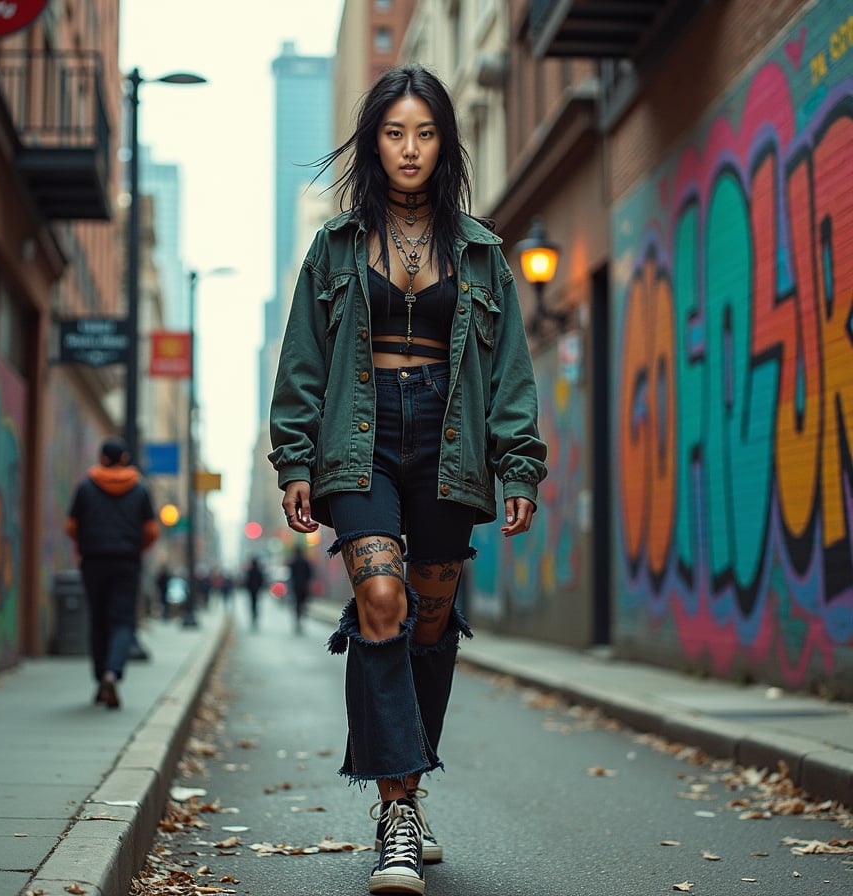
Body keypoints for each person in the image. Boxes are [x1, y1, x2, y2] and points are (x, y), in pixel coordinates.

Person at [268, 64, 547, 895]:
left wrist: (519, 459)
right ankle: (395, 815)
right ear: (373, 142)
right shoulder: (336, 248)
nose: (410, 148)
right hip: (360, 440)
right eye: (395, 132)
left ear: (445, 142)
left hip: (451, 442)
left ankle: (408, 791)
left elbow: (508, 371)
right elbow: (304, 363)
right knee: (381, 601)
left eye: (425, 132)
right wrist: (294, 458)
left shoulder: (483, 252)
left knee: (429, 621)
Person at [65, 436, 159, 709]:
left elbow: (71, 527)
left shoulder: (85, 487)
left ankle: (98, 680)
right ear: (125, 459)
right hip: (126, 562)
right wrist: (135, 546)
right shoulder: (140, 490)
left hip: (93, 560)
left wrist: (87, 542)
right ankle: (112, 673)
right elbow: (151, 531)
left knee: (98, 620)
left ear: (102, 458)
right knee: (122, 620)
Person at [287, 545, 314, 633]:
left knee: (297, 604)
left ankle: (298, 619)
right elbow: (310, 574)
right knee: (303, 603)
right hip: (304, 586)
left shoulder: (293, 562)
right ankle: (302, 617)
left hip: (296, 587)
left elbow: (291, 575)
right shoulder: (306, 562)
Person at [244, 555, 265, 628]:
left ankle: (254, 615)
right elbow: (261, 581)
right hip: (256, 590)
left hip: (252, 590)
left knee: (253, 603)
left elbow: (247, 581)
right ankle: (255, 615)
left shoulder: (250, 571)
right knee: (255, 603)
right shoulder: (259, 571)